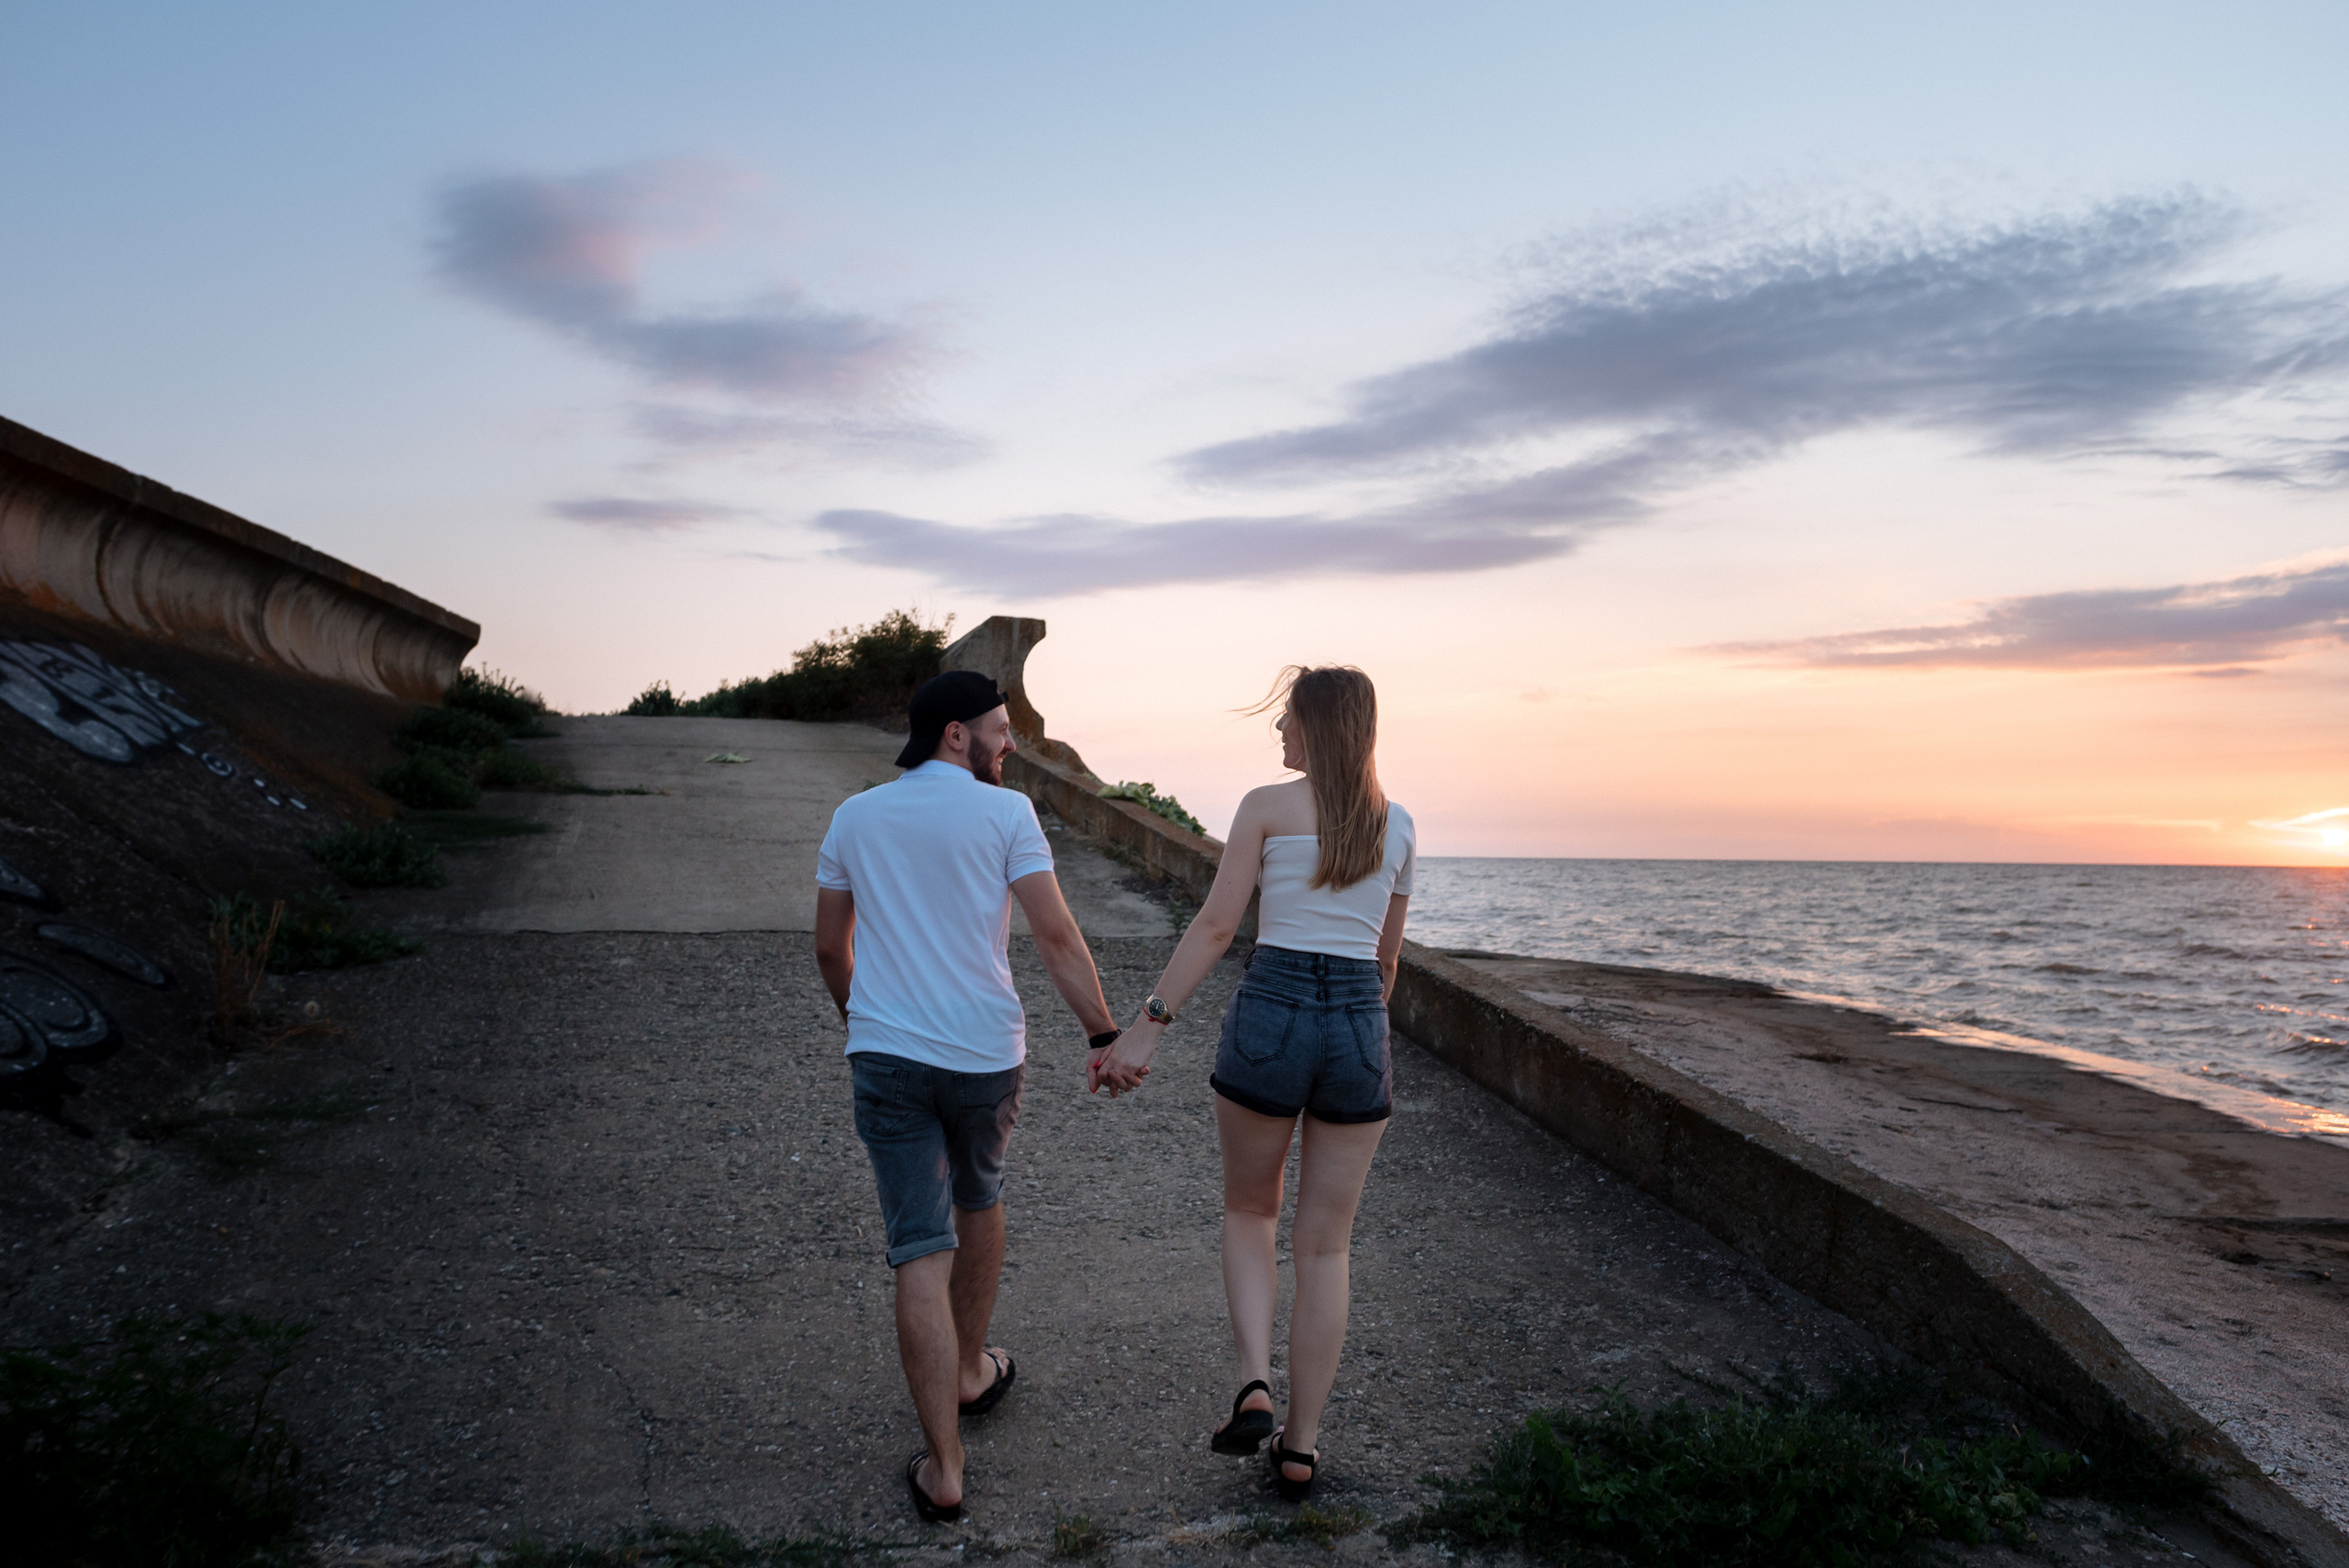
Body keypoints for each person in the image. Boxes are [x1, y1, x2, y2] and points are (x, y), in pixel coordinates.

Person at [1095, 665, 1412, 1503]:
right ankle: (1300, 1447)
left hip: (1272, 1010)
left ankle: (1254, 1385)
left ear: (1319, 726)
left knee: (1249, 1209)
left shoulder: (1266, 807)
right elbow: (1385, 964)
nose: (1279, 730)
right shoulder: (1400, 825)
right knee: (1326, 1245)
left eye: (1288, 718)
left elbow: (1217, 925)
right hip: (1357, 1023)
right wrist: (1353, 1033)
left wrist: (1145, 1026)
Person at [815, 670, 1125, 1524]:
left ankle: (944, 1468)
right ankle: (968, 1371)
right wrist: (1103, 1034)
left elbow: (831, 947)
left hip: (887, 1053)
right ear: (957, 732)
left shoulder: (854, 816)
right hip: (984, 1056)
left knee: (919, 1244)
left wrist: (867, 1021)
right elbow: (1055, 934)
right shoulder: (1007, 815)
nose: (1010, 742)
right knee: (978, 1195)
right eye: (1001, 726)